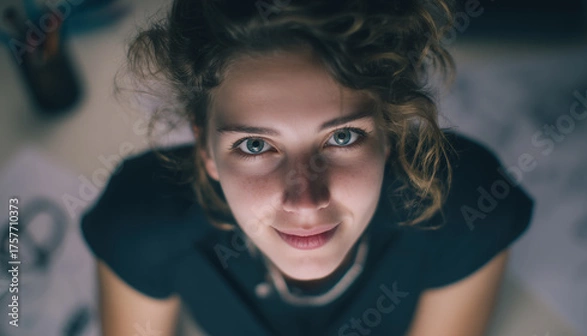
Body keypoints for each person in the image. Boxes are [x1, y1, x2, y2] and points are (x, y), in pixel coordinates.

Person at [80, 0, 535, 335]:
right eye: (256, 144)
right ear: (204, 149)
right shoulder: (141, 222)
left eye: (343, 137)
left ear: (390, 127)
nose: (306, 199)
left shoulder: (467, 208)